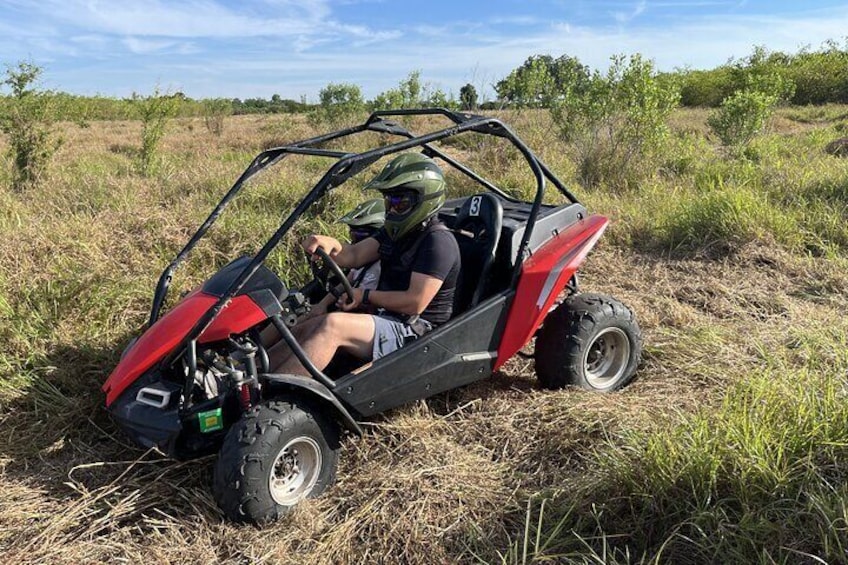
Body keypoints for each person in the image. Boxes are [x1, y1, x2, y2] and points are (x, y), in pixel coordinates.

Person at [268, 153, 461, 376]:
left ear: (424, 199)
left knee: (332, 326)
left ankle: (274, 390)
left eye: (400, 202)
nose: (392, 209)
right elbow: (355, 255)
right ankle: (246, 378)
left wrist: (364, 295)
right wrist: (330, 244)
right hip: (388, 318)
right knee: (307, 326)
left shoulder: (437, 242)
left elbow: (414, 302)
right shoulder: (395, 234)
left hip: (417, 332)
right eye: (389, 201)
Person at [306, 198, 384, 318]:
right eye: (352, 234)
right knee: (293, 315)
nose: (354, 241)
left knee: (319, 324)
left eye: (360, 235)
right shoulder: (359, 263)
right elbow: (344, 283)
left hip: (364, 315)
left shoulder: (386, 266)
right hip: (347, 307)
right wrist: (322, 304)